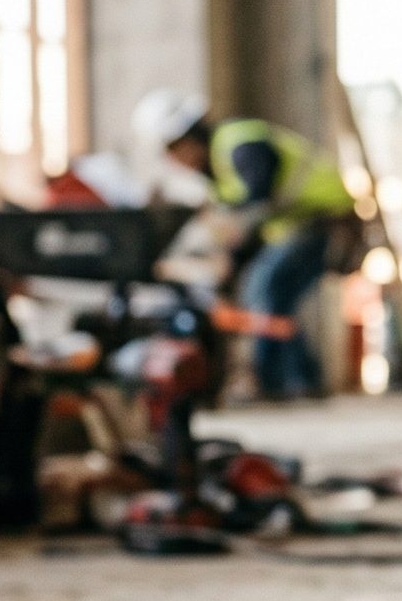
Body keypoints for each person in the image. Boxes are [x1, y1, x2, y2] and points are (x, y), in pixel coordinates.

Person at [132, 89, 353, 401]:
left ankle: (274, 382)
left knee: (263, 290)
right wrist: (231, 260)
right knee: (275, 300)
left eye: (172, 152)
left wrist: (231, 254)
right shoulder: (218, 170)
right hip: (296, 225)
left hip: (322, 217)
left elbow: (258, 197)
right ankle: (299, 380)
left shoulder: (238, 143)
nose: (174, 162)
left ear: (186, 140)